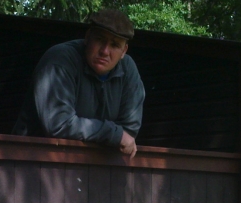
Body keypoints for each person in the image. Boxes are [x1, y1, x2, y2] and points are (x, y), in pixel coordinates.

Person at [13, 8, 145, 157]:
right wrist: (113, 134)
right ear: (88, 37)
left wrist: (115, 135)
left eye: (115, 45)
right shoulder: (60, 60)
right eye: (100, 39)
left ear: (124, 51)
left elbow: (128, 131)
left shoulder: (128, 70)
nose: (105, 51)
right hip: (30, 161)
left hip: (90, 168)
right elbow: (59, 124)